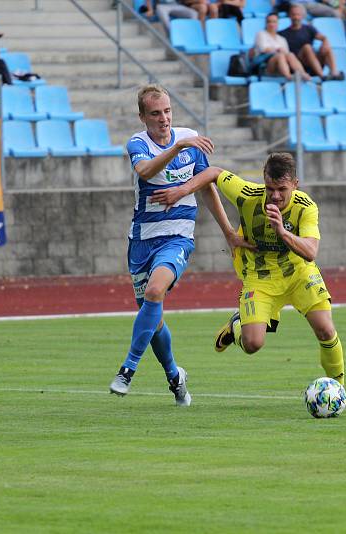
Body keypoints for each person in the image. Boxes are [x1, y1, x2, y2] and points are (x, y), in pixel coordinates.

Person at [152, 153, 346, 406]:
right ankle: (236, 327)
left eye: (282, 189)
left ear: (295, 183)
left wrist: (282, 232)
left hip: (298, 273)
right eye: (270, 188)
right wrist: (182, 192)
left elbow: (310, 251)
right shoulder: (248, 194)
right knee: (252, 344)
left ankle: (340, 391)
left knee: (326, 329)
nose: (275, 196)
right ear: (263, 180)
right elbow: (214, 173)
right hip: (260, 278)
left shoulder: (306, 207)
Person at [109, 84, 252, 404]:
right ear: (143, 116)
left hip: (177, 238)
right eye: (156, 113)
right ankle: (175, 376)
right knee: (153, 317)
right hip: (141, 241)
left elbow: (206, 187)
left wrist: (228, 231)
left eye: (168, 111)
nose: (164, 119)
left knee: (155, 292)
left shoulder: (190, 139)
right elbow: (145, 171)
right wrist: (175, 149)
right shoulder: (138, 143)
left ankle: (127, 371)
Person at [279, 3, 344, 81]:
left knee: (327, 48)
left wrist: (325, 41)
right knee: (307, 47)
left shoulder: (309, 28)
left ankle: (333, 72)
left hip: (313, 62)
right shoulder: (283, 33)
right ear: (289, 15)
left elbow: (322, 37)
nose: (296, 17)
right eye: (293, 15)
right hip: (298, 66)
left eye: (298, 15)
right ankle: (322, 75)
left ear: (302, 16)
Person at [252, 12, 311, 81]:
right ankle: (288, 77)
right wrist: (278, 49)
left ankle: (303, 74)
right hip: (265, 65)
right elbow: (264, 49)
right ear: (266, 23)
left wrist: (279, 50)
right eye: (269, 22)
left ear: (277, 24)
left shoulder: (282, 39)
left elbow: (286, 53)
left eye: (274, 22)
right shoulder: (261, 34)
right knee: (280, 55)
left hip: (281, 65)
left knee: (290, 55)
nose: (271, 24)